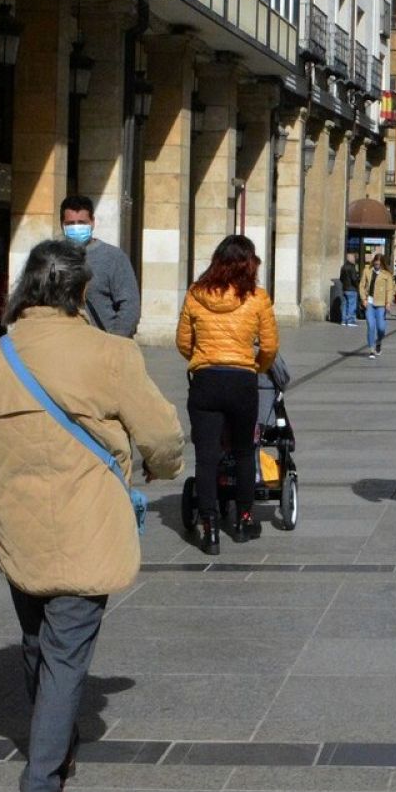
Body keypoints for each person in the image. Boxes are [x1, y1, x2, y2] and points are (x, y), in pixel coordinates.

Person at [0, 240, 183, 792]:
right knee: (65, 656)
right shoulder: (110, 353)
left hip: (18, 528)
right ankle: (42, 787)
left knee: (36, 641)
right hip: (89, 523)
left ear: (25, 289)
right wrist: (165, 467)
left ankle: (55, 742)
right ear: (81, 292)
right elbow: (162, 435)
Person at [177, 235, 280, 554]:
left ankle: (209, 528)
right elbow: (271, 346)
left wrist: (203, 359)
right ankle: (244, 519)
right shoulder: (258, 298)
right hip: (241, 381)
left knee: (206, 458)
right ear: (250, 264)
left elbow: (182, 341)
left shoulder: (195, 294)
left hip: (206, 381)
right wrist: (256, 366)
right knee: (244, 451)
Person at [59, 195, 141, 337]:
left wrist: (115, 340)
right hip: (64, 345)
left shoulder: (113, 257)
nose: (76, 227)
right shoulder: (51, 258)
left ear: (92, 222)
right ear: (62, 225)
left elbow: (130, 305)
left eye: (81, 222)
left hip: (103, 345)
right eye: (70, 223)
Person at [358, 253, 396, 358]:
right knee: (370, 326)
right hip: (369, 303)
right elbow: (361, 285)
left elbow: (390, 289)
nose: (377, 265)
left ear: (382, 263)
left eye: (379, 264)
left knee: (381, 328)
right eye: (375, 263)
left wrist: (388, 302)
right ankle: (371, 349)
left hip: (381, 304)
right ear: (373, 262)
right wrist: (363, 299)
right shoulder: (367, 271)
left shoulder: (387, 274)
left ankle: (379, 341)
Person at [338, 253, 360, 327]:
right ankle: (350, 321)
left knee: (344, 305)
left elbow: (341, 278)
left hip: (344, 288)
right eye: (354, 258)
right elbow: (354, 279)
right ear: (351, 259)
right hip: (352, 289)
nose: (355, 259)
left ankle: (343, 320)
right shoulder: (352, 267)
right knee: (351, 305)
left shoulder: (343, 267)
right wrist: (357, 285)